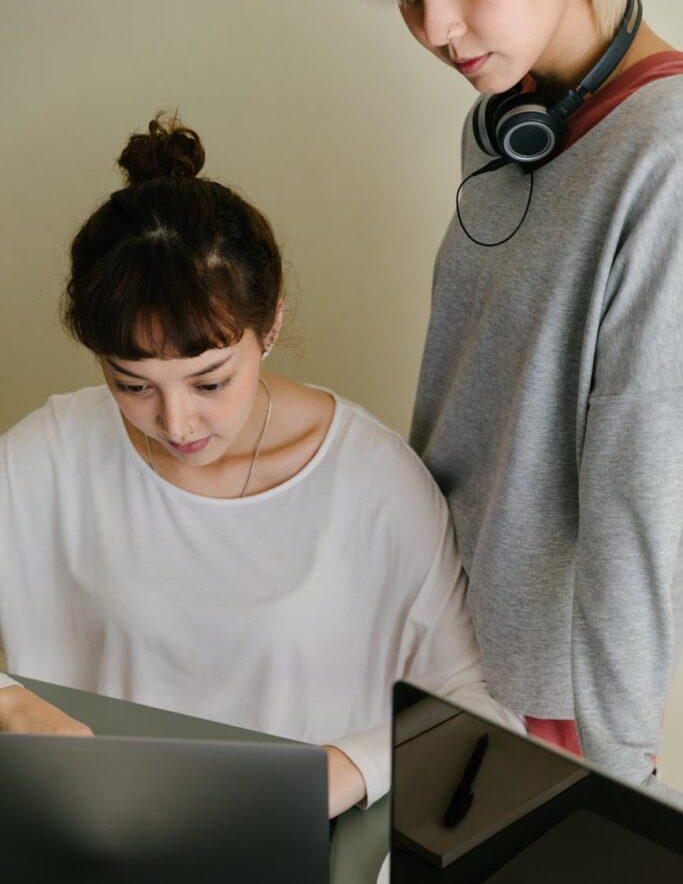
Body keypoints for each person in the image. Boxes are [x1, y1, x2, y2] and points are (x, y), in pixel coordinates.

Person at [0, 115, 522, 817]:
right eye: (131, 384)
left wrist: (345, 769)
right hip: (95, 832)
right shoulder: (50, 457)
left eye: (210, 382)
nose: (176, 423)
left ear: (269, 326)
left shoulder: (369, 481)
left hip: (300, 845)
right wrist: (10, 705)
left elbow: (471, 703)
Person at [388, 0, 683, 800]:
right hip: (430, 629)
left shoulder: (668, 153)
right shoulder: (504, 123)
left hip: (541, 693)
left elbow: (640, 491)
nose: (435, 29)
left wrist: (618, 771)